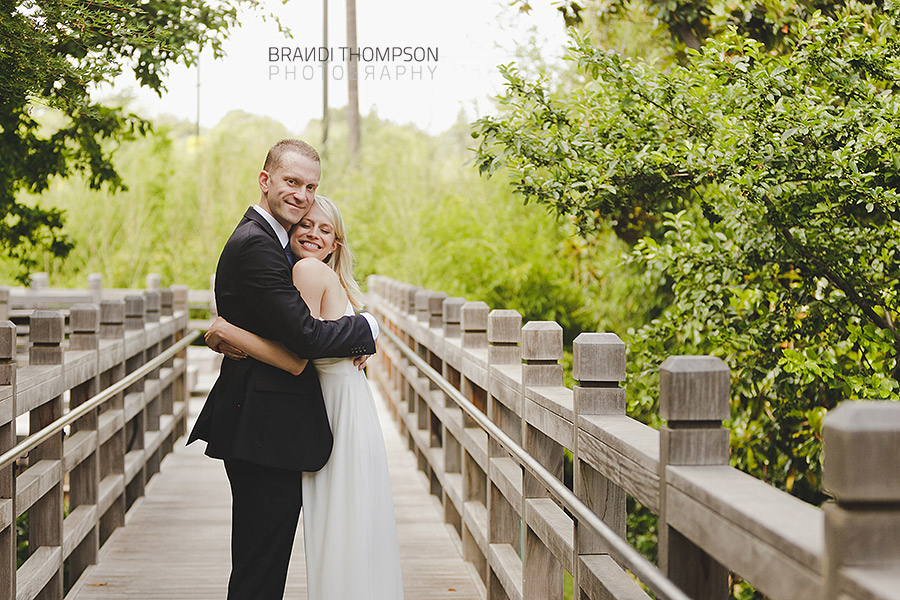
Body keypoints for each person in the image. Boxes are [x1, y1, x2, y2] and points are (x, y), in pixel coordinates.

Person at [187, 139, 379, 600]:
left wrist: (227, 332)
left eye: (311, 186)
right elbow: (303, 344)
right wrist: (366, 326)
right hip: (263, 430)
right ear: (265, 179)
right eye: (292, 182)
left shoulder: (280, 246)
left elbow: (288, 329)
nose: (301, 194)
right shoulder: (257, 244)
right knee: (260, 569)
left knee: (262, 564)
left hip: (271, 429)